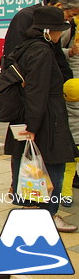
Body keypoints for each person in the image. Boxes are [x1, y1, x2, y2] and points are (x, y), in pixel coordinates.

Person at [4, 6, 78, 233]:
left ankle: (33, 210)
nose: (59, 35)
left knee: (29, 164)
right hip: (45, 117)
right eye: (58, 30)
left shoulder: (25, 46)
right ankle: (48, 214)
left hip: (32, 116)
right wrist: (33, 126)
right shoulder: (42, 51)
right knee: (52, 164)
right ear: (48, 30)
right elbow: (37, 90)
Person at [2, 0, 79, 81]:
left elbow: (58, 54)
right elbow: (12, 54)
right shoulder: (25, 17)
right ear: (59, 6)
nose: (70, 19)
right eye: (72, 15)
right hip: (25, 83)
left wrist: (67, 81)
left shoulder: (56, 22)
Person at [61, 15, 79, 207]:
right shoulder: (70, 28)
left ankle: (65, 195)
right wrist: (71, 52)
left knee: (68, 167)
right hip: (73, 83)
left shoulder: (64, 105)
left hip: (71, 140)